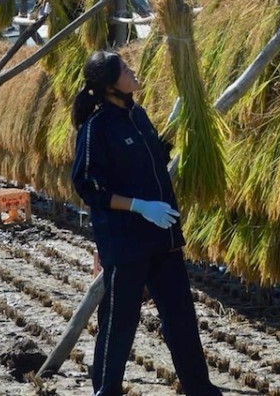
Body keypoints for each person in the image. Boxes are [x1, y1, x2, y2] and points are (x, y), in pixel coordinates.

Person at [72, 51, 222, 396]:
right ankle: (106, 391)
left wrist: (173, 125)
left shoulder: (138, 115)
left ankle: (201, 390)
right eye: (125, 69)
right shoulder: (97, 129)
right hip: (127, 245)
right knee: (119, 324)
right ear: (111, 85)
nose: (133, 70)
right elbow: (88, 185)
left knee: (182, 319)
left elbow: (153, 156)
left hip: (163, 238)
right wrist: (139, 206)